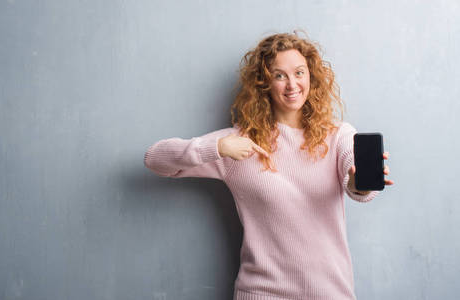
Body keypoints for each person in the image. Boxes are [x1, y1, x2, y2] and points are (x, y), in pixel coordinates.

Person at [143, 31, 394, 300]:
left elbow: (357, 182)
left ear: (311, 76)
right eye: (279, 75)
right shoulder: (239, 143)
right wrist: (216, 148)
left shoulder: (338, 135)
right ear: (264, 83)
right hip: (262, 293)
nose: (292, 84)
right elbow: (155, 159)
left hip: (331, 293)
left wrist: (358, 185)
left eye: (299, 72)